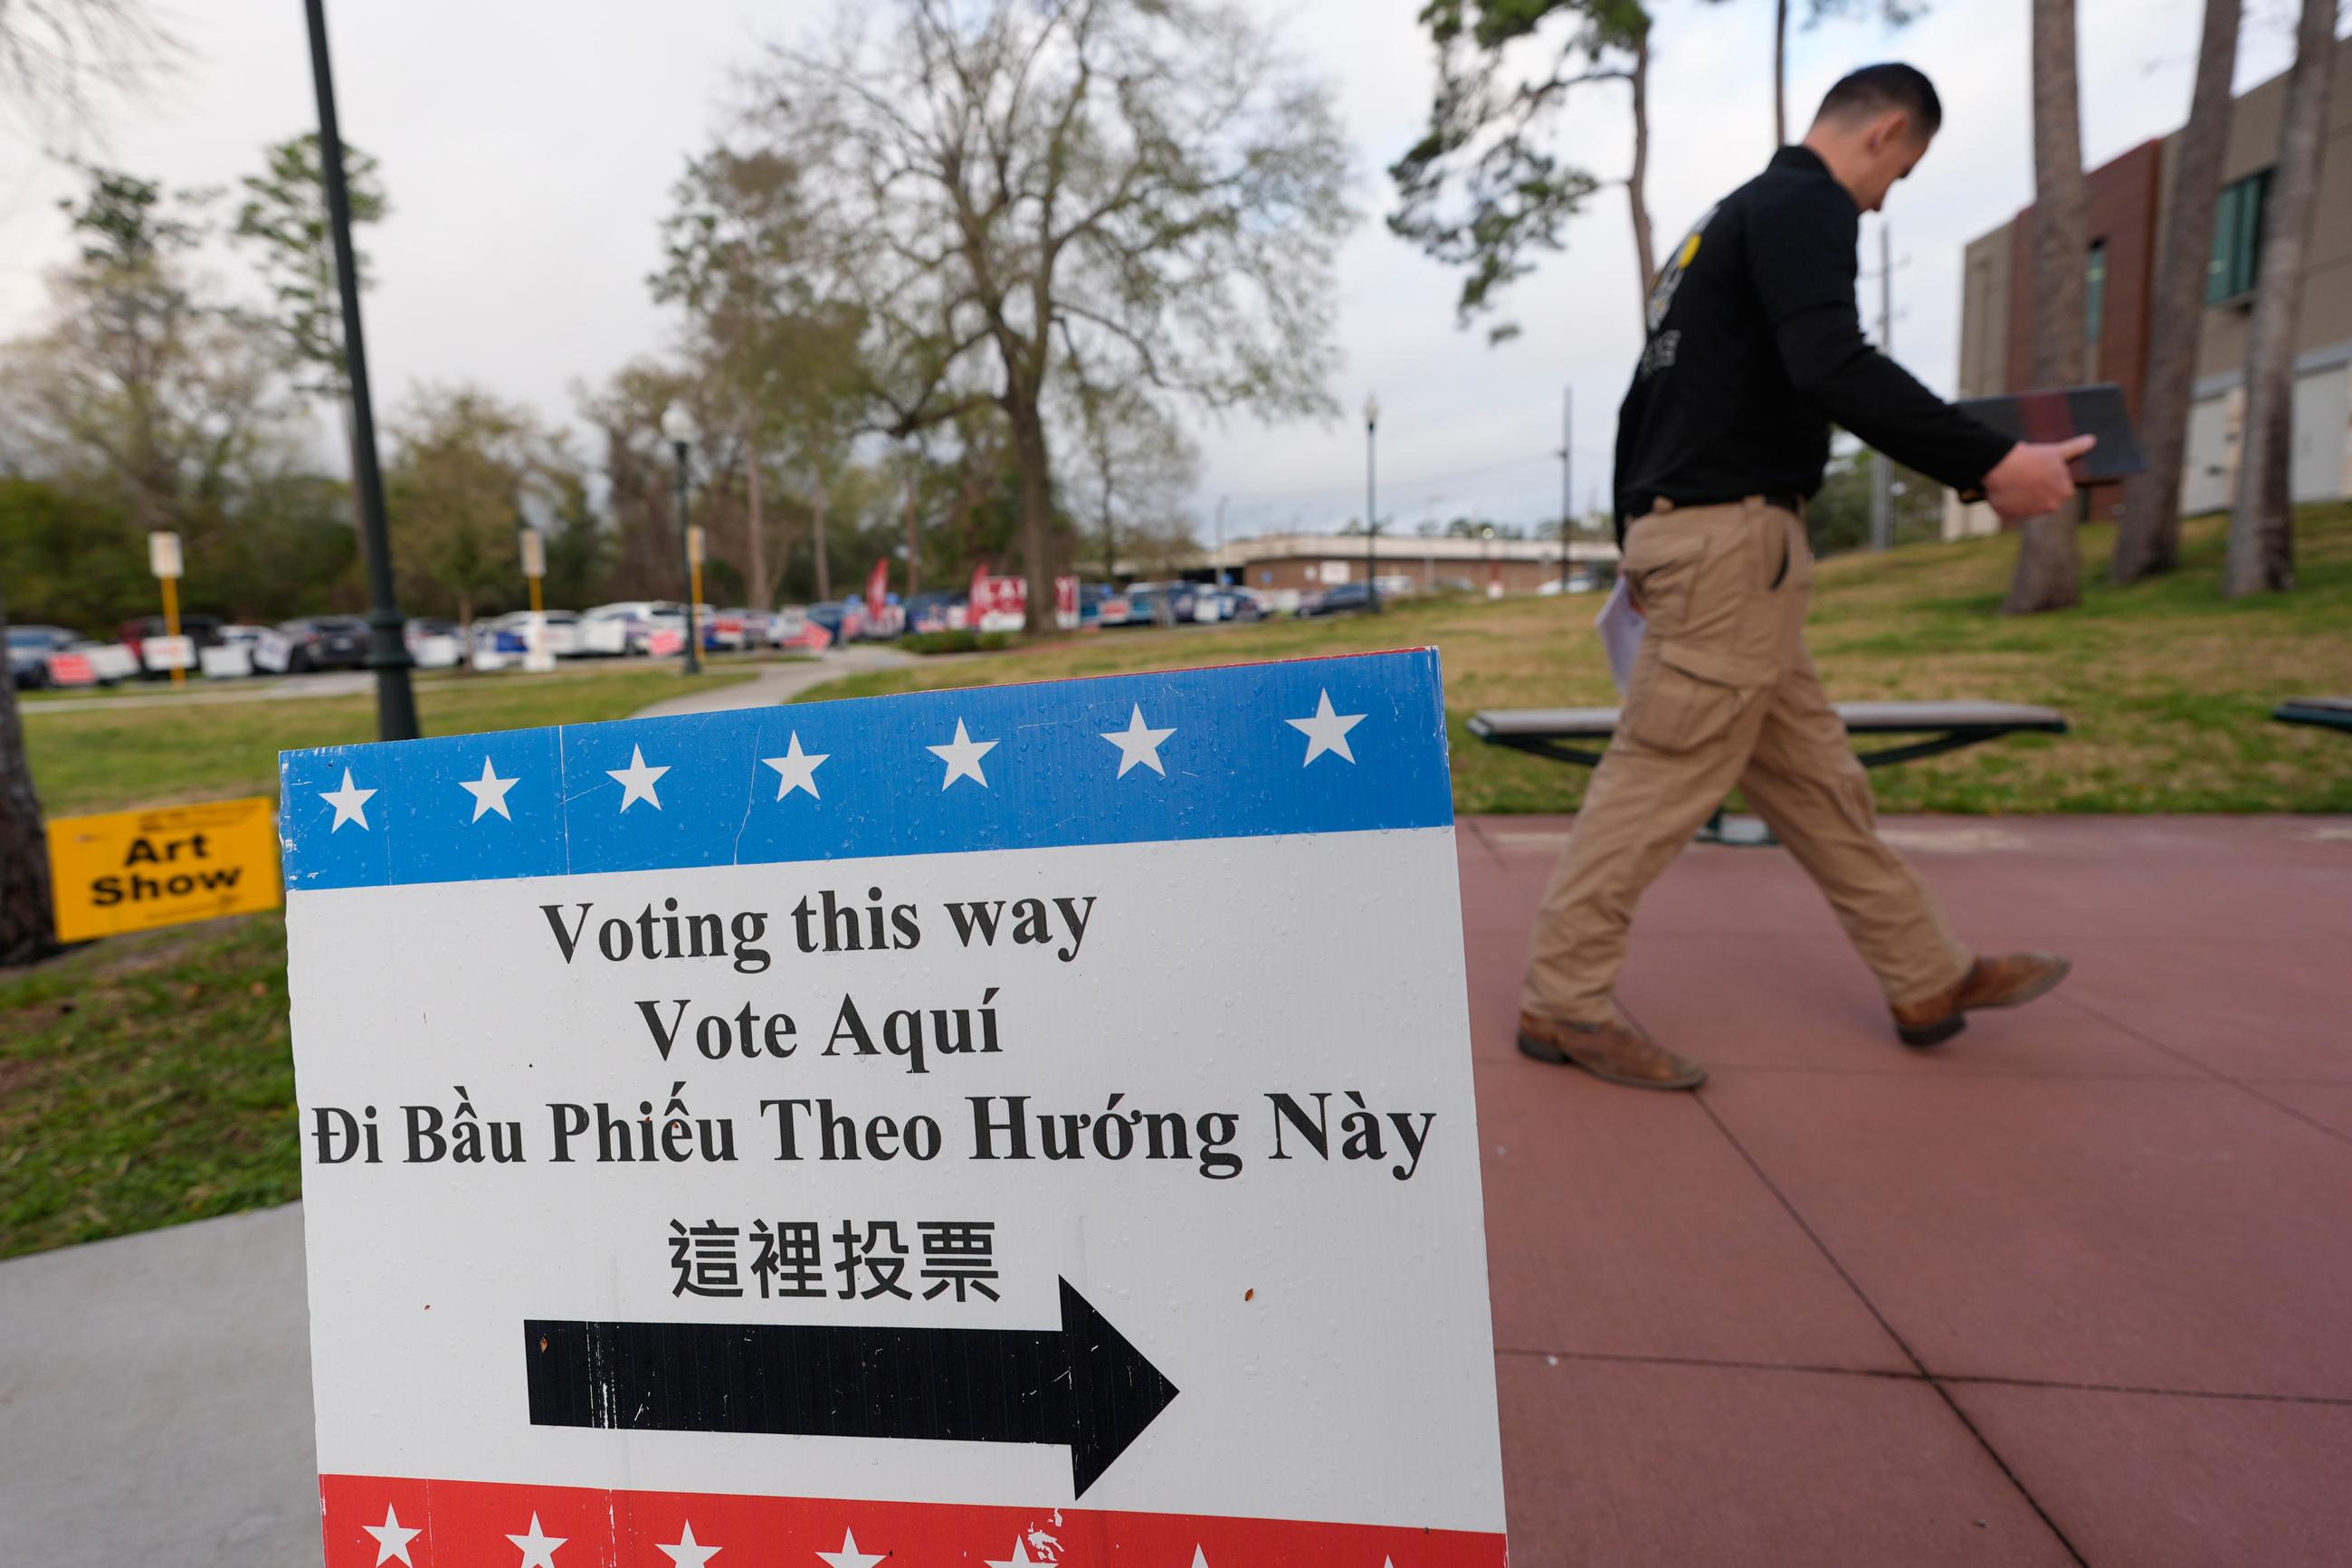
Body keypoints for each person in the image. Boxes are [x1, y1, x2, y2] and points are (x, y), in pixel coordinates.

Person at [1517, 63, 2090, 1090]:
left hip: (1705, 541)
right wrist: (1990, 462)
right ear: (1887, 133)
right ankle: (1563, 1001)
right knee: (1654, 780)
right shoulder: (1806, 207)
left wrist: (1632, 534)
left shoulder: (1722, 225)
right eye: (1900, 175)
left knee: (1820, 787)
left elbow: (1640, 398)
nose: (1884, 197)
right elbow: (1832, 362)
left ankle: (1926, 975)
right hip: (1732, 545)